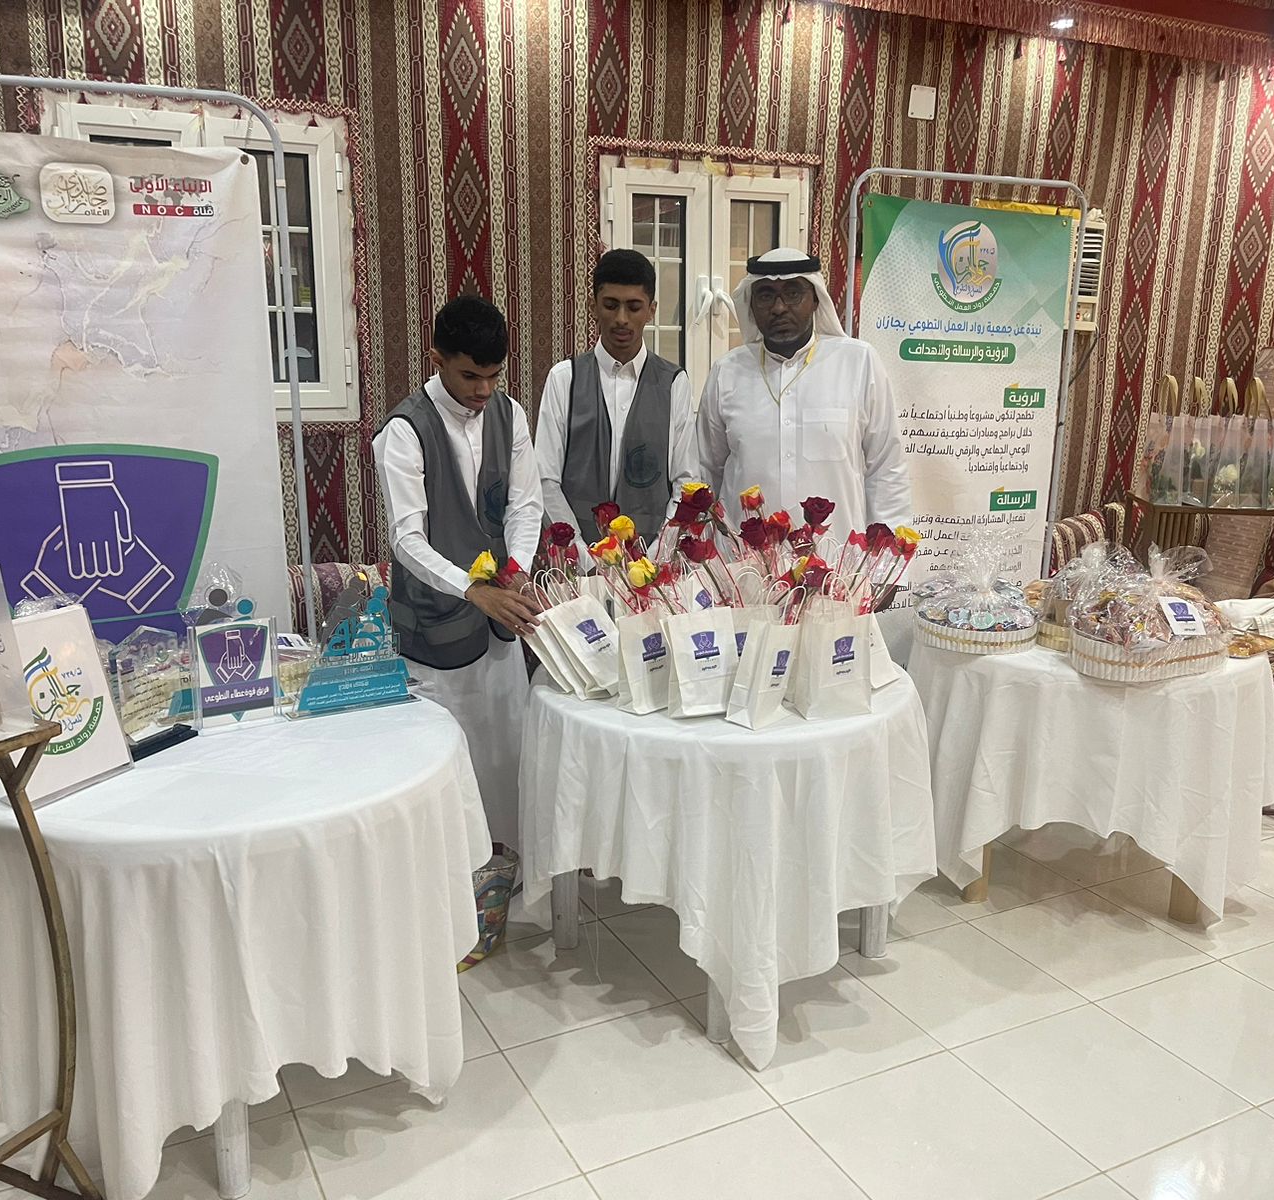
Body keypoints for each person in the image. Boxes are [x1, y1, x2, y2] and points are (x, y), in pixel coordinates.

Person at [372, 295, 543, 850]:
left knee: (506, 755)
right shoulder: (404, 430)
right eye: (470, 375)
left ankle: (509, 877)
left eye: (494, 375)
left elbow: (525, 507)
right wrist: (472, 590)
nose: (483, 390)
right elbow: (406, 540)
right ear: (437, 358)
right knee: (446, 770)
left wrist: (515, 570)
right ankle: (454, 883)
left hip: (497, 629)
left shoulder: (510, 415)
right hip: (433, 631)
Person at [697, 247, 912, 539]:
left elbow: (886, 468)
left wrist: (887, 557)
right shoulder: (727, 372)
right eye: (765, 296)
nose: (779, 307)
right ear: (751, 305)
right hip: (743, 562)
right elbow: (706, 471)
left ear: (815, 300)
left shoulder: (859, 363)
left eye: (793, 293)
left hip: (836, 558)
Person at [535, 248, 698, 546]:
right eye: (611, 305)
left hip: (651, 556)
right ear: (593, 306)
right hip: (578, 557)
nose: (621, 319)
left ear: (651, 310)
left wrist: (658, 553)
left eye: (634, 307)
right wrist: (580, 553)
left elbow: (686, 480)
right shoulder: (565, 378)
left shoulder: (674, 382)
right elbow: (546, 479)